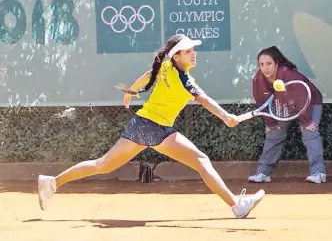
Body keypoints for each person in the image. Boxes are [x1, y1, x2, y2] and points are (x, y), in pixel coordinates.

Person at [38, 34, 265, 218]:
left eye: (193, 50)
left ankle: (52, 182)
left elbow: (150, 74)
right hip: (155, 128)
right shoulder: (185, 81)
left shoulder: (166, 65)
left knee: (103, 164)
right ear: (177, 56)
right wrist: (226, 116)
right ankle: (236, 206)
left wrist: (133, 91)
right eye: (188, 51)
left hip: (141, 124)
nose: (193, 54)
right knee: (201, 160)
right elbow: (204, 100)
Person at [248, 46, 326, 184]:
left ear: (277, 63)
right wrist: (270, 123)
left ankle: (318, 173)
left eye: (269, 64)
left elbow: (303, 100)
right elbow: (262, 103)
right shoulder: (257, 80)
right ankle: (262, 173)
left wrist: (307, 121)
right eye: (261, 64)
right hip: (282, 105)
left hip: (310, 102)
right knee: (274, 134)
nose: (265, 68)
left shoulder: (289, 75)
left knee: (309, 132)